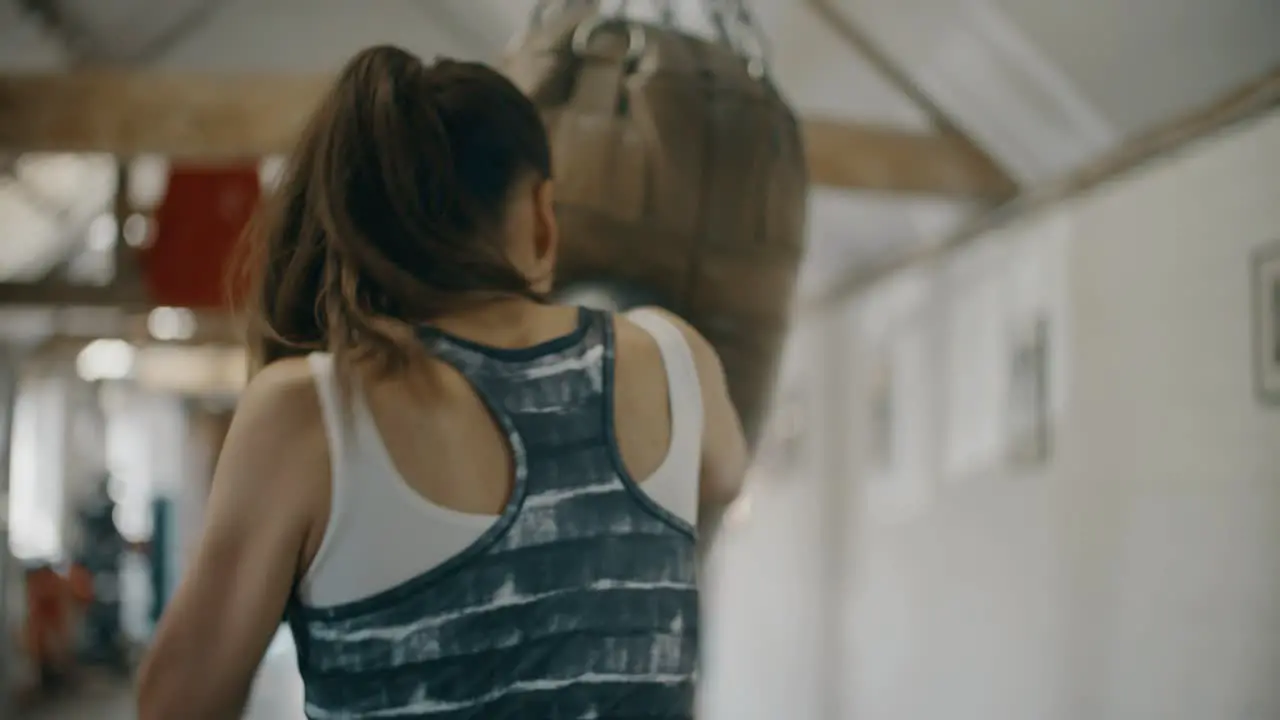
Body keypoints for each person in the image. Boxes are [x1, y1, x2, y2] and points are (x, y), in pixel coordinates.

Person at [136, 45, 748, 720]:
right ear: (544, 216)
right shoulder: (672, 358)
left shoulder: (313, 413)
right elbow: (721, 477)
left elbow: (176, 705)